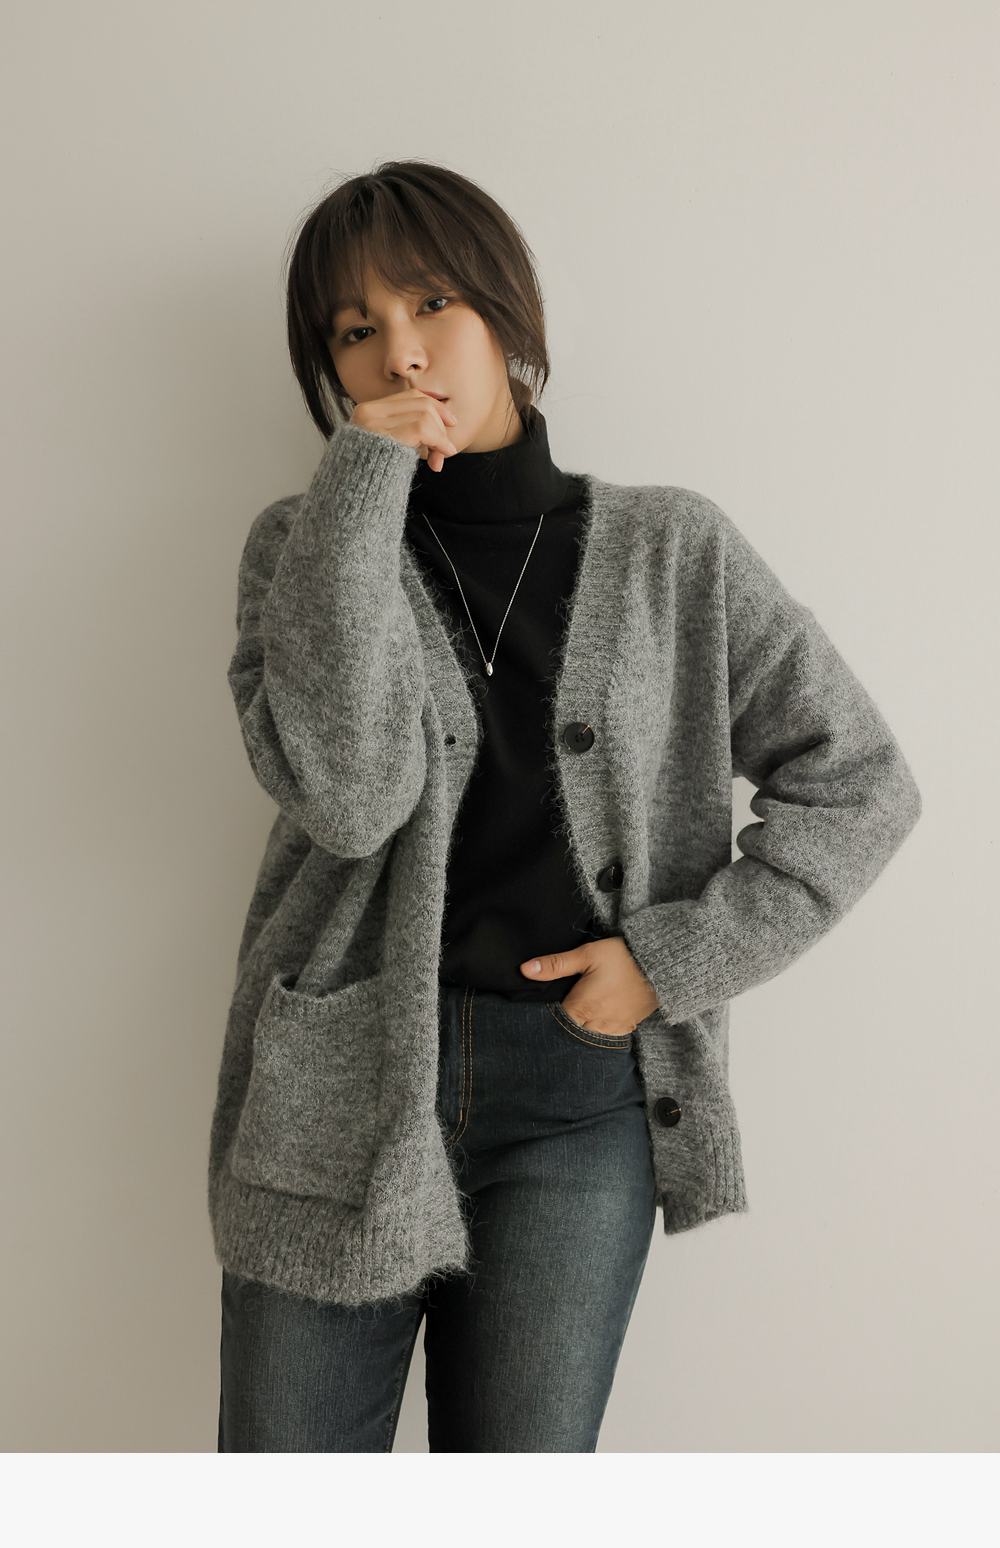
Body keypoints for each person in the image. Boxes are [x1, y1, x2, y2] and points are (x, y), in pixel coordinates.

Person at [211, 152, 920, 1455]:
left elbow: (860, 782)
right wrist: (360, 495)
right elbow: (353, 800)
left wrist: (669, 963)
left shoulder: (674, 549)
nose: (400, 353)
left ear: (506, 312)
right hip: (342, 1078)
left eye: (432, 304)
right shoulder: (298, 550)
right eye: (356, 330)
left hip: (577, 1094)